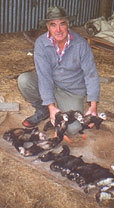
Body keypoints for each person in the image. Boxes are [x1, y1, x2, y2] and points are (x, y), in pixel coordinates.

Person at [18, 6, 100, 134]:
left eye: (62, 24)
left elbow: (91, 74)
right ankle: (43, 109)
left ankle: (62, 106)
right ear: (47, 27)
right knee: (24, 80)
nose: (58, 30)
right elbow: (44, 76)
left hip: (71, 89)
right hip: (51, 82)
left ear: (68, 24)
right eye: (53, 25)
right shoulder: (41, 43)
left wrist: (93, 105)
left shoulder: (80, 43)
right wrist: (51, 106)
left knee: (73, 129)